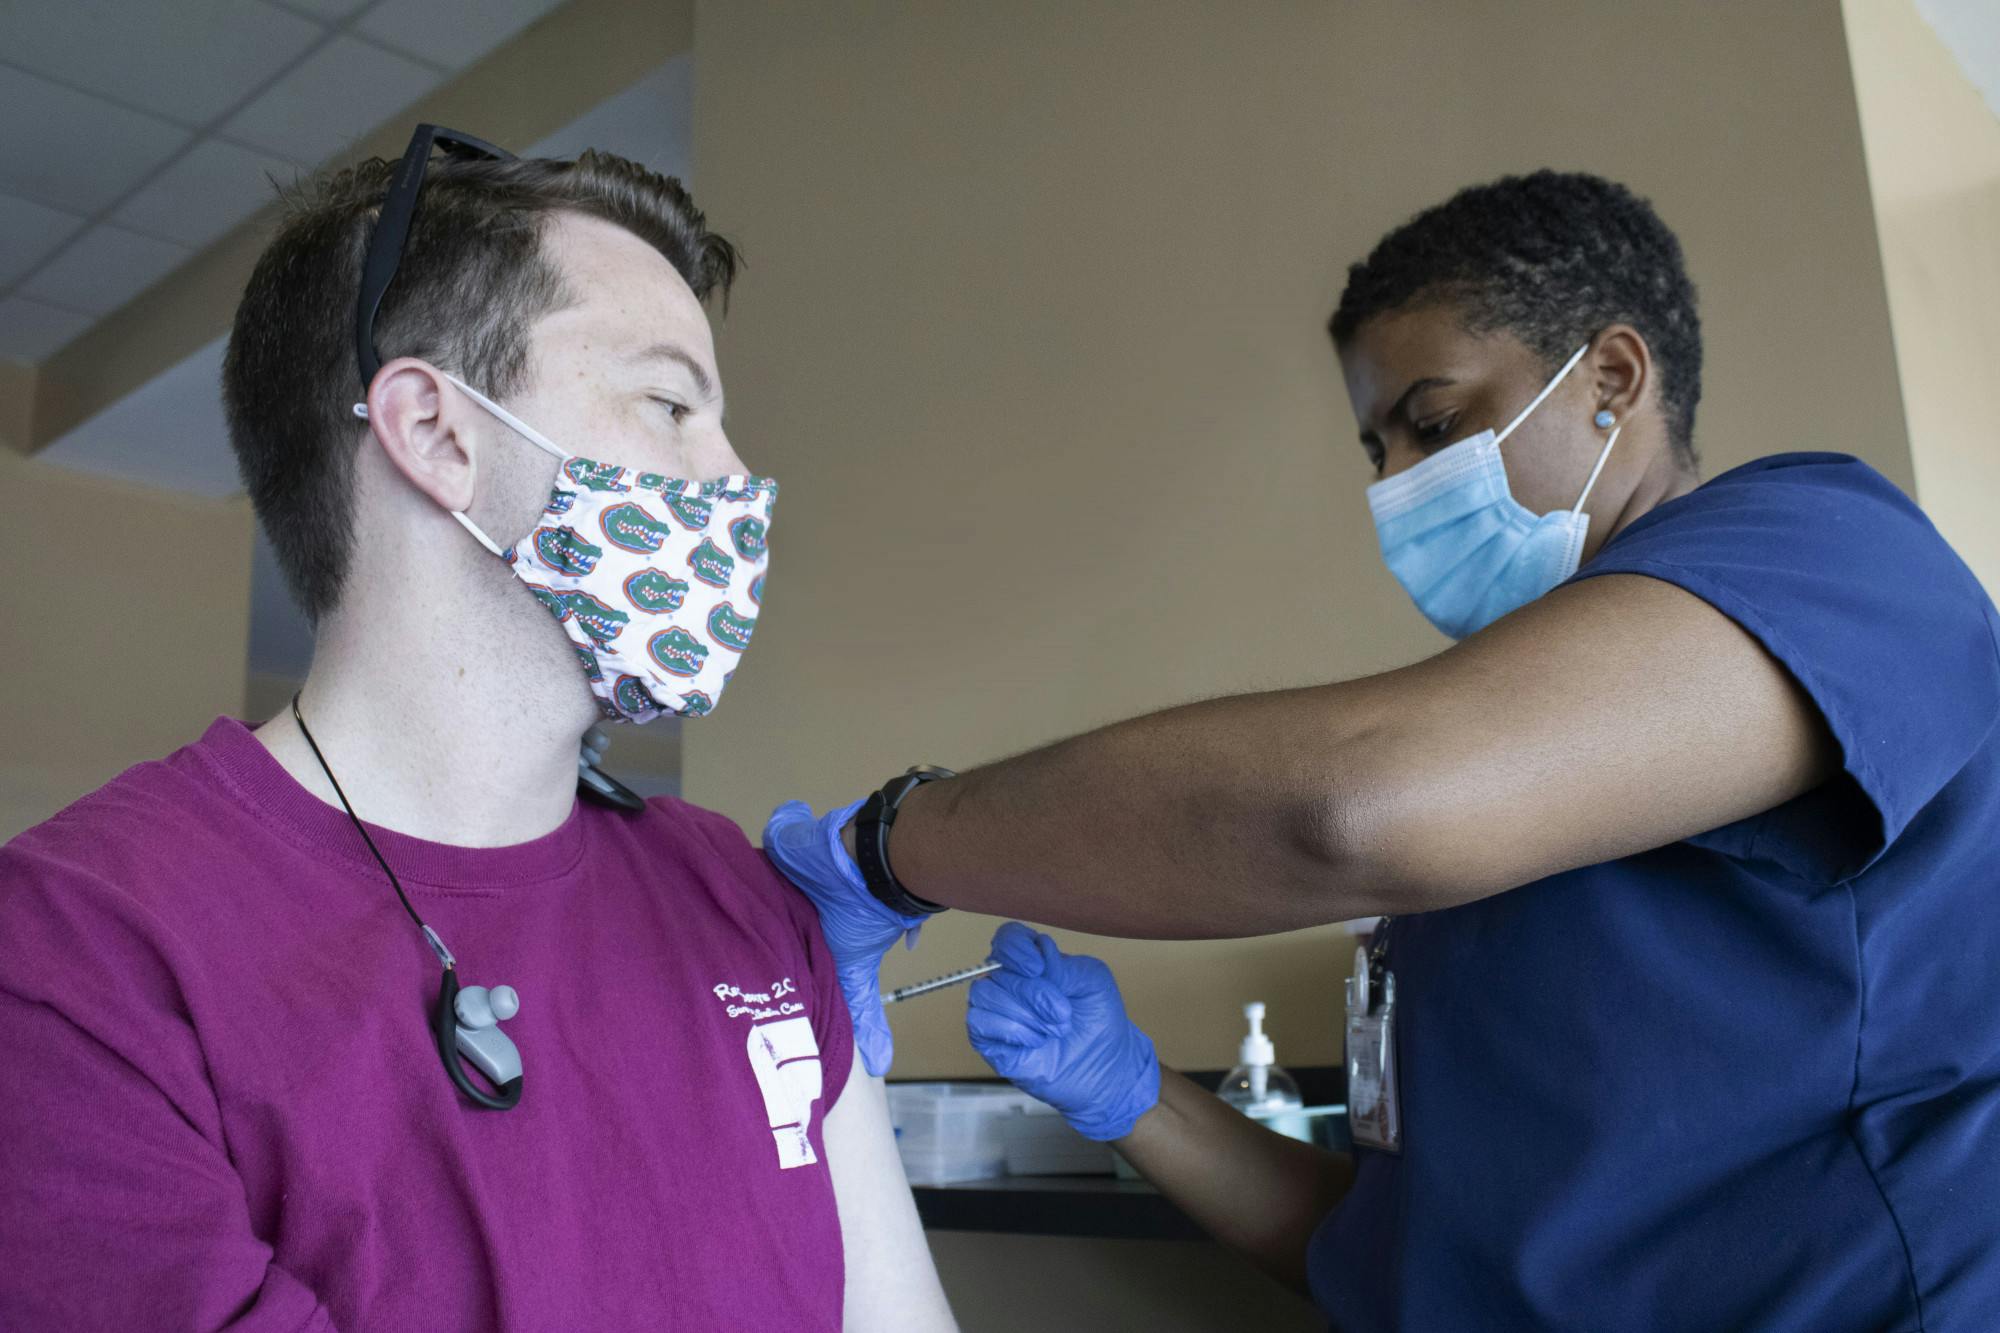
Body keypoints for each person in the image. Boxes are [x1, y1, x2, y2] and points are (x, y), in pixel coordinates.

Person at [766, 171, 2000, 1329]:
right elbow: (1397, 1258)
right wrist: (1128, 1091)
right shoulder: (1509, 837)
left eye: (1432, 421)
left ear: (1610, 378)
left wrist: (896, 846)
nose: (1397, 483)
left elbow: (1352, 806)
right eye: (1378, 451)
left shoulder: (1829, 555)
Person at [0, 127, 955, 1331]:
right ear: (437, 433)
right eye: (670, 403)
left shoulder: (737, 895)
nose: (734, 475)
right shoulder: (78, 957)